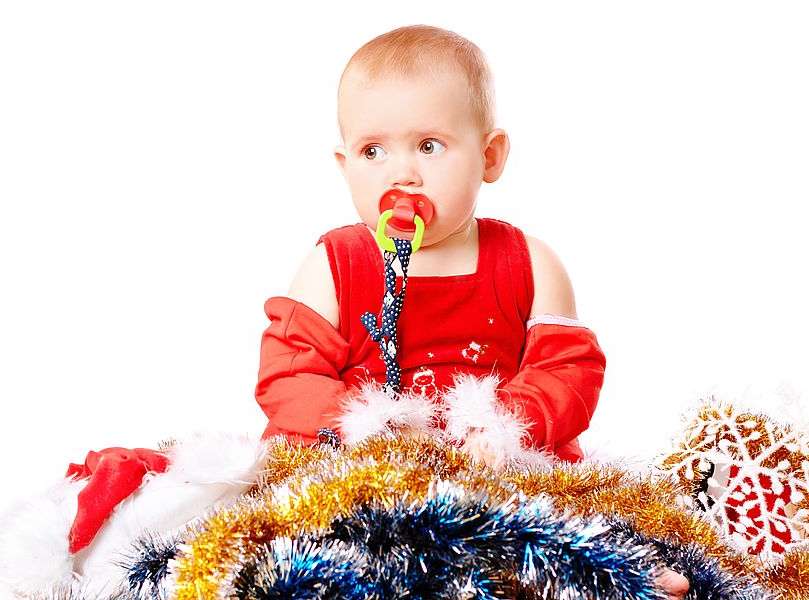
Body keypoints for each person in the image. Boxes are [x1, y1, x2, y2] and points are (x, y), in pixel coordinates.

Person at [255, 24, 607, 468]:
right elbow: (289, 377)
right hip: (361, 477)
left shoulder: (530, 263)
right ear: (345, 167)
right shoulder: (334, 264)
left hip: (500, 480)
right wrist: (364, 426)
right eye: (372, 152)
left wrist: (504, 426)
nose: (402, 173)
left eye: (428, 145)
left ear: (490, 156)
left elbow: (568, 373)